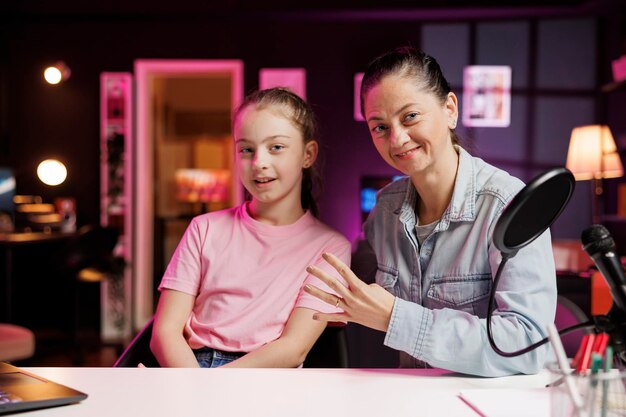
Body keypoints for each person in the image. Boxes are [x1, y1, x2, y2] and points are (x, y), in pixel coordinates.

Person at [304, 46, 556, 377]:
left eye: (410, 116)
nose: (397, 139)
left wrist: (395, 318)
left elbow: (526, 345)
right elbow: (352, 285)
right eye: (379, 127)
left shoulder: (507, 204)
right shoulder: (384, 210)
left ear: (449, 109)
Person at [151, 87, 351, 368]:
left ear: (308, 154)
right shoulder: (204, 228)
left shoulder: (331, 247)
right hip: (191, 367)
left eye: (276, 147)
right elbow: (164, 332)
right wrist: (193, 388)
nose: (259, 163)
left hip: (267, 376)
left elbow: (293, 349)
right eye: (246, 149)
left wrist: (208, 391)